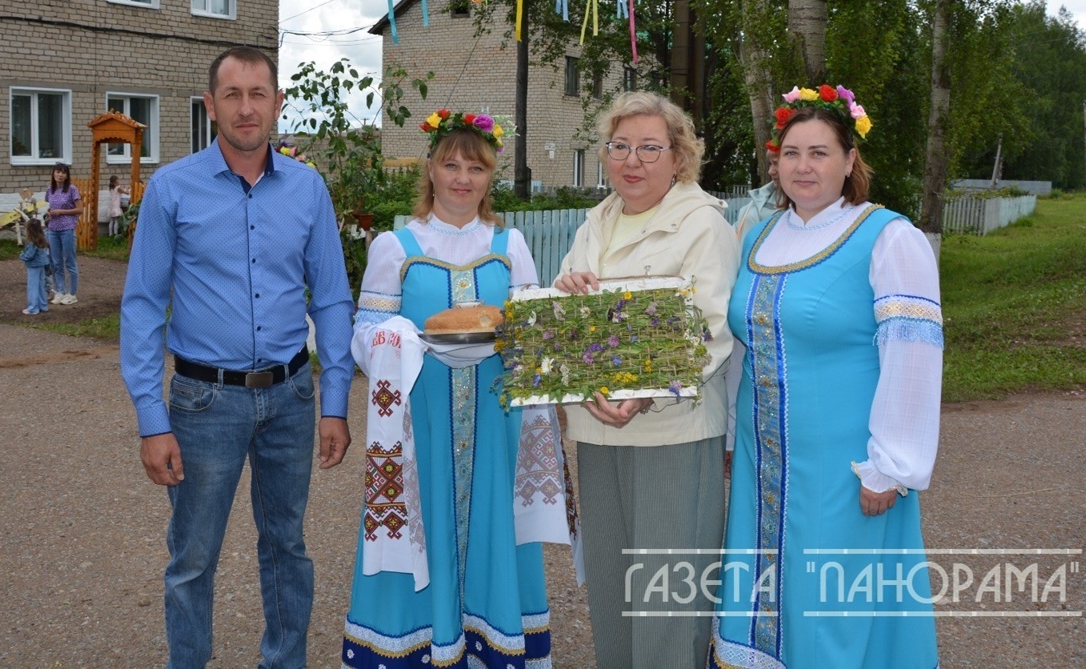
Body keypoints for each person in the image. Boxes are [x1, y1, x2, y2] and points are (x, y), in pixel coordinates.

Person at [120, 46, 355, 669]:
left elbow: (331, 298)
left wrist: (336, 403)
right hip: (203, 403)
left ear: (277, 104)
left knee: (288, 547)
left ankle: (284, 662)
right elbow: (143, 305)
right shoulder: (172, 190)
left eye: (258, 94)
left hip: (292, 397)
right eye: (232, 95)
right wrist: (152, 418)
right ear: (211, 105)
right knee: (192, 556)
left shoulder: (307, 189)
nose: (246, 108)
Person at [713, 84, 942, 667]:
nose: (803, 165)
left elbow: (912, 354)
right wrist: (730, 432)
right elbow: (745, 342)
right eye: (791, 152)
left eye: (819, 152)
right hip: (764, 460)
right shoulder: (760, 235)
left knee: (831, 609)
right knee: (766, 596)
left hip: (844, 467)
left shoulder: (888, 237)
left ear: (849, 161)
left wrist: (889, 465)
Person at [342, 111, 575, 667]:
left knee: (497, 523)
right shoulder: (396, 247)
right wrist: (398, 338)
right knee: (423, 519)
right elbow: (364, 335)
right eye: (451, 164)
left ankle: (492, 643)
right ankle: (420, 643)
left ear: (489, 175)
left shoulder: (509, 243)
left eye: (475, 167)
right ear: (430, 169)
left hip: (496, 419)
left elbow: (527, 323)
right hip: (419, 420)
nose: (462, 178)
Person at [553, 91, 739, 669]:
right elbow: (567, 316)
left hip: (671, 430)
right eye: (620, 146)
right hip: (600, 425)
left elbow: (710, 327)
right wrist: (565, 301)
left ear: (679, 157)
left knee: (665, 589)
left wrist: (644, 392)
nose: (632, 160)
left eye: (650, 148)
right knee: (612, 582)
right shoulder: (596, 221)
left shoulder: (703, 224)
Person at [45, 162, 82, 305]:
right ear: (53, 174)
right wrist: (50, 213)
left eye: (63, 172)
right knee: (56, 262)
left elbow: (80, 209)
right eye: (58, 172)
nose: (60, 175)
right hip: (53, 229)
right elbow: (50, 206)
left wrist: (62, 212)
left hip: (67, 229)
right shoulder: (50, 190)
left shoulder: (72, 189)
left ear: (67, 175)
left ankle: (72, 293)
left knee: (70, 261)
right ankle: (59, 291)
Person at [733, 152, 780, 239]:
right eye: (770, 164)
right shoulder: (757, 199)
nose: (770, 171)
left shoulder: (803, 207)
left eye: (776, 163)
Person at [20, 218, 52, 315]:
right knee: (41, 285)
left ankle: (33, 308)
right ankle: (43, 305)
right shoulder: (41, 239)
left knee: (32, 287)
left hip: (33, 266)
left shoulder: (31, 242)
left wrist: (22, 255)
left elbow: (29, 255)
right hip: (42, 264)